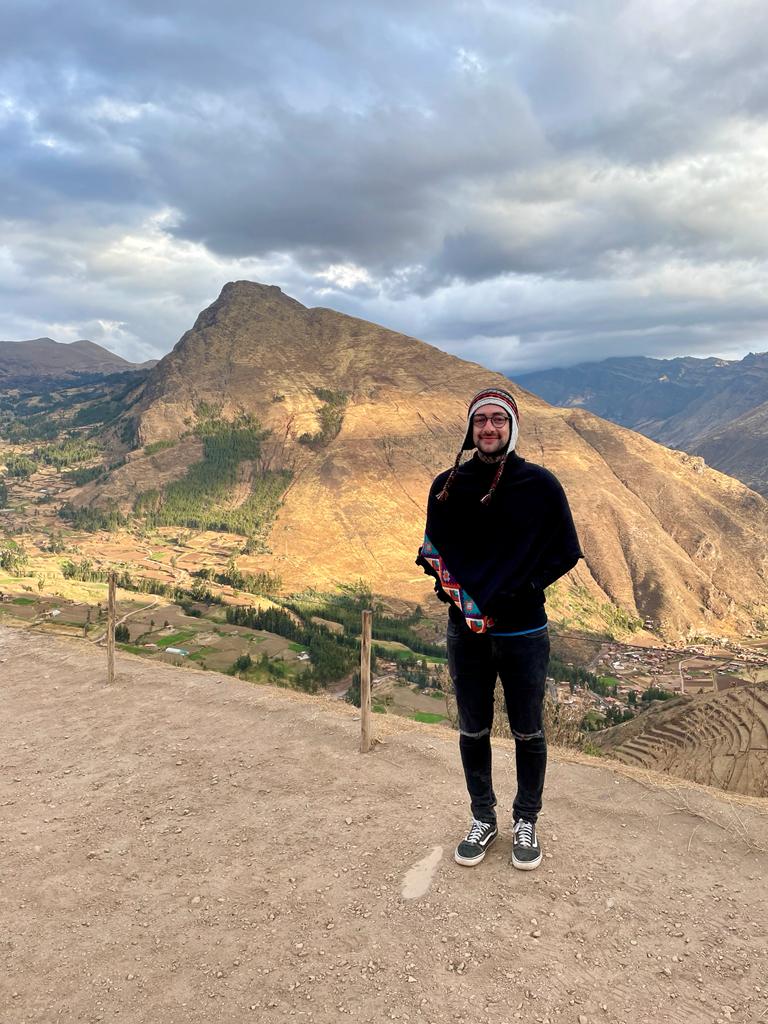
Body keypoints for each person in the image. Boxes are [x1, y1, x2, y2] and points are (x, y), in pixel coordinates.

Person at [416, 386, 582, 870]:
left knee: (528, 731)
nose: (489, 428)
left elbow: (564, 551)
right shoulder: (447, 486)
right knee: (474, 728)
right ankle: (482, 817)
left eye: (499, 420)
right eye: (481, 420)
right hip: (465, 631)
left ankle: (526, 819)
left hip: (524, 630)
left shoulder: (541, 485)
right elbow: (435, 552)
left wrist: (518, 589)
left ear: (512, 428)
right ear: (470, 428)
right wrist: (462, 601)